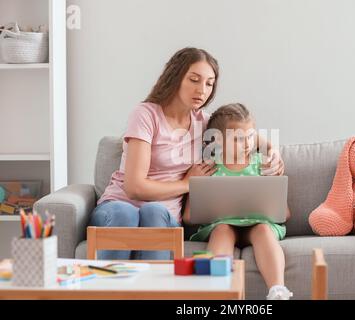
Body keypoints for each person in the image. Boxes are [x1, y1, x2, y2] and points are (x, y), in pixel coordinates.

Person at [90, 48, 285, 260]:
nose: (202, 90)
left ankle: (158, 292)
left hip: (164, 215)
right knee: (124, 213)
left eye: (209, 84)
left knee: (153, 212)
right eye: (194, 79)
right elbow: (134, 187)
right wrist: (187, 184)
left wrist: (272, 151)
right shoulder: (146, 114)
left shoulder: (204, 122)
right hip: (118, 206)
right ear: (175, 77)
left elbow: (248, 134)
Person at [183, 103, 293, 300]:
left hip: (259, 224)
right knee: (222, 230)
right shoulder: (208, 168)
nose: (248, 144)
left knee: (262, 230)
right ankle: (216, 292)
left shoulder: (262, 164)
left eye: (250, 137)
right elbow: (189, 216)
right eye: (238, 139)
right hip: (221, 225)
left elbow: (283, 213)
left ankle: (278, 290)